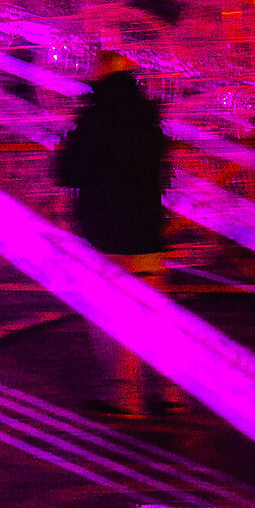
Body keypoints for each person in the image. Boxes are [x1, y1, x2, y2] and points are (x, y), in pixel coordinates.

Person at [52, 51, 181, 418]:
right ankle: (170, 393)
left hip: (106, 233)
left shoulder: (96, 119)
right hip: (147, 228)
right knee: (156, 316)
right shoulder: (149, 118)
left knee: (113, 317)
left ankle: (125, 398)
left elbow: (69, 172)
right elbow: (163, 171)